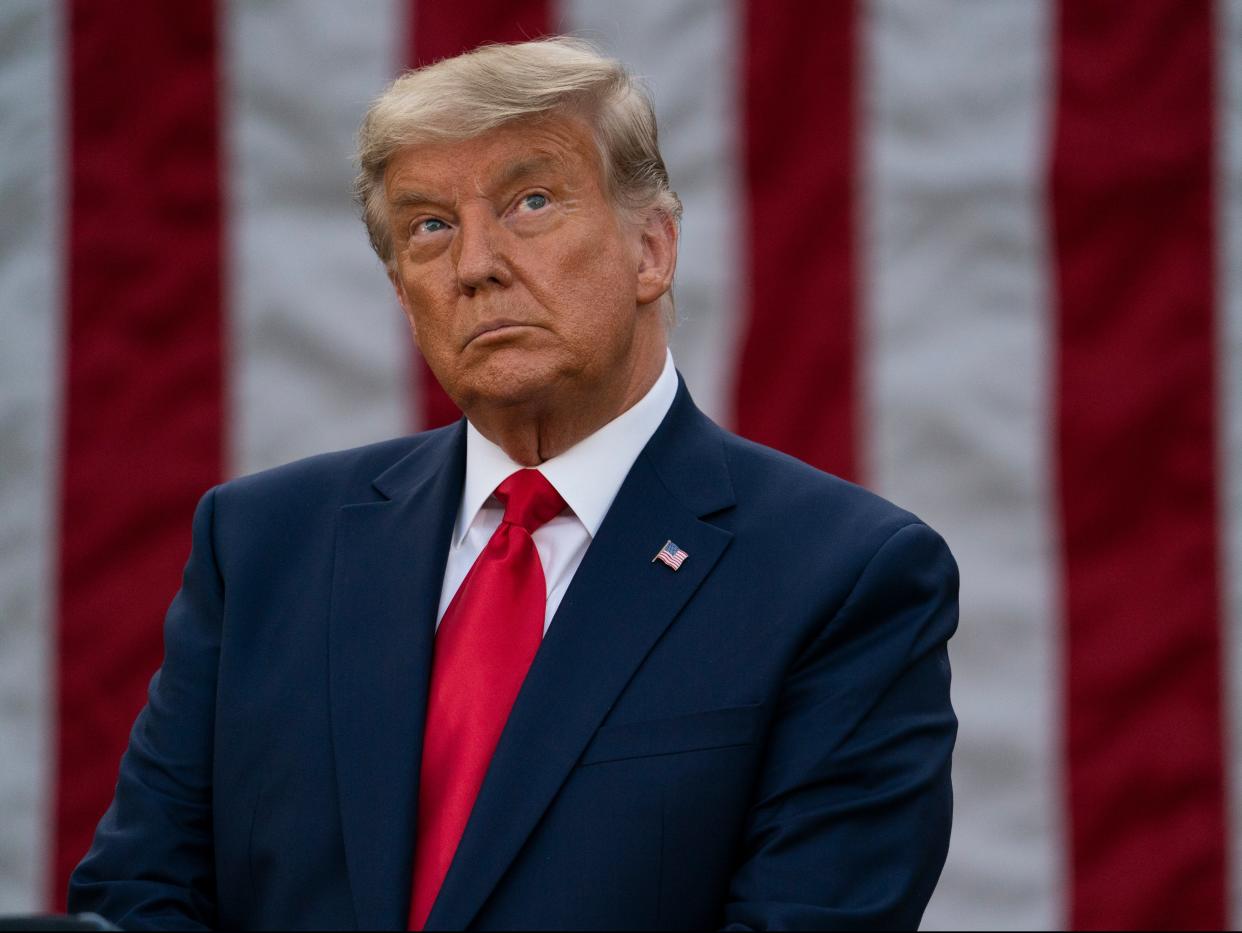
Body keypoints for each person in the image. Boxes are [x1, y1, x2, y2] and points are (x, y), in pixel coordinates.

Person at [68, 38, 958, 931]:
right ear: (403, 289)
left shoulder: (845, 578)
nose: (475, 264)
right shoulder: (260, 544)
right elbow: (140, 895)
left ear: (652, 248)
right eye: (429, 225)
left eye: (531, 201)